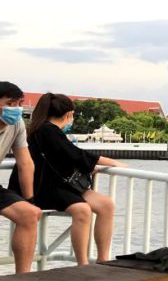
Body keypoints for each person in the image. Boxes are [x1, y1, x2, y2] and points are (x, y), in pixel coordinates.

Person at [11, 93, 126, 265]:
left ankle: (103, 259)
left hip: (60, 183)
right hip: (43, 186)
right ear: (68, 114)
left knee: (106, 205)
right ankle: (83, 264)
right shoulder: (47, 130)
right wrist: (113, 163)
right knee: (83, 210)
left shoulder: (47, 130)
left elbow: (66, 155)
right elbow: (76, 154)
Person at [0, 82, 41, 273]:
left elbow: (25, 163)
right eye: (10, 103)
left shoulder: (16, 124)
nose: (15, 109)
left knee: (30, 214)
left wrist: (29, 199)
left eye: (19, 104)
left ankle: (22, 278)